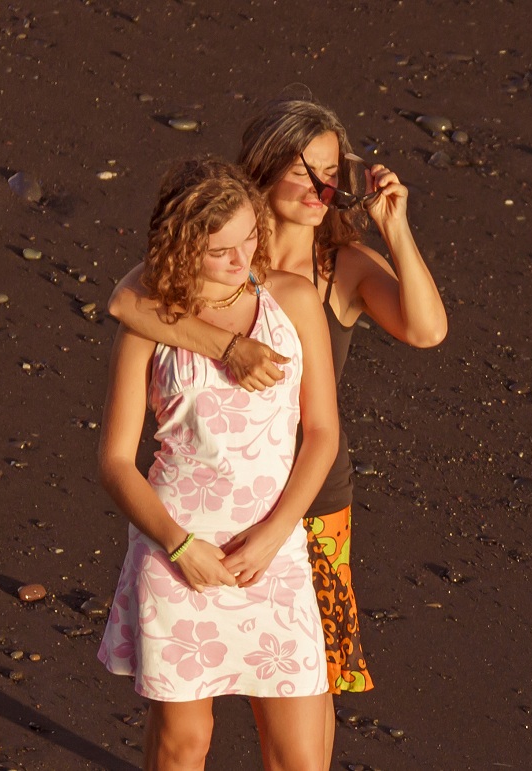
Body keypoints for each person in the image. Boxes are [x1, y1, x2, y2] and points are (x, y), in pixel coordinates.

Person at [107, 98, 447, 710]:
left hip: (315, 506)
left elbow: (426, 331)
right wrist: (227, 345)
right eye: (303, 170)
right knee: (191, 704)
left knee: (311, 691)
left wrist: (395, 227)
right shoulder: (225, 253)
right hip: (214, 504)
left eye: (331, 170)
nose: (322, 187)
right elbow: (126, 302)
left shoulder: (338, 269)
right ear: (260, 170)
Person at [95, 157, 338, 770]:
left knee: (300, 757)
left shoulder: (293, 301)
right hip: (178, 552)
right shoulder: (149, 322)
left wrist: (275, 536)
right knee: (183, 744)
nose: (242, 258)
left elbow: (322, 433)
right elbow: (116, 461)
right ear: (181, 248)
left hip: (273, 551)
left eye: (249, 236)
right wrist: (180, 546)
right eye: (220, 249)